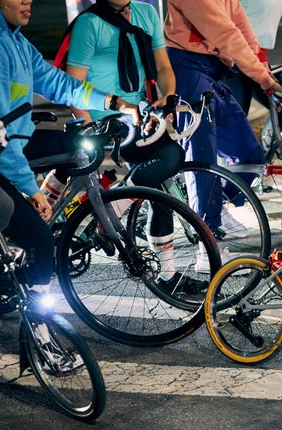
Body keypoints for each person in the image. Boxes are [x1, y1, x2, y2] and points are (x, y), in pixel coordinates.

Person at [41, 0, 206, 294]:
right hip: (103, 115)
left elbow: (163, 66)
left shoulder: (146, 13)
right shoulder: (89, 24)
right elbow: (73, 85)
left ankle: (166, 273)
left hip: (138, 112)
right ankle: (110, 211)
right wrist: (87, 130)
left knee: (160, 178)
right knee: (167, 158)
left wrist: (167, 99)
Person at [0, 0, 136, 302]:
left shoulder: (16, 41)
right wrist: (29, 189)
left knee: (72, 144)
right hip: (0, 154)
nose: (27, 0)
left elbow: (59, 83)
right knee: (41, 241)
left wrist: (113, 103)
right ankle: (36, 328)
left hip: (12, 144)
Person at [163, 0, 282, 256]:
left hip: (213, 71)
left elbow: (242, 29)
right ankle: (206, 248)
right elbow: (226, 33)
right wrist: (262, 78)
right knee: (202, 158)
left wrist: (265, 73)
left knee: (250, 153)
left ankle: (217, 204)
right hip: (186, 69)